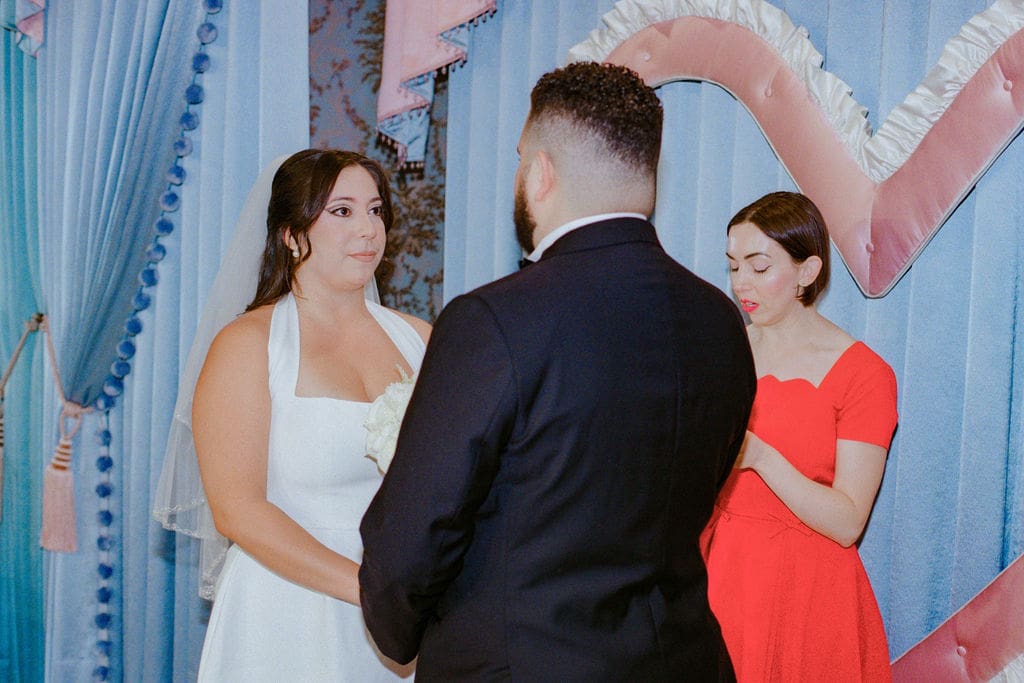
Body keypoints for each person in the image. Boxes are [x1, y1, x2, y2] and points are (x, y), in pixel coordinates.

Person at [358, 61, 756, 681]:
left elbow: (414, 533)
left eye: (520, 159)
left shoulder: (492, 319)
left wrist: (399, 633)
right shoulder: (720, 320)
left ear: (540, 173)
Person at [157, 149, 429, 680]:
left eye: (376, 210)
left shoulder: (420, 339)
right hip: (289, 606)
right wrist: (370, 591)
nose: (369, 229)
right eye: (342, 211)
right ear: (290, 232)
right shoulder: (248, 345)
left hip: (403, 605)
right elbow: (237, 510)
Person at [702, 191, 898, 681]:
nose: (741, 283)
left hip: (807, 593)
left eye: (759, 266)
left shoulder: (864, 373)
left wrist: (762, 457)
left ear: (808, 272)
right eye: (732, 266)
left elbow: (849, 521)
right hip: (720, 572)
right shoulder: (721, 350)